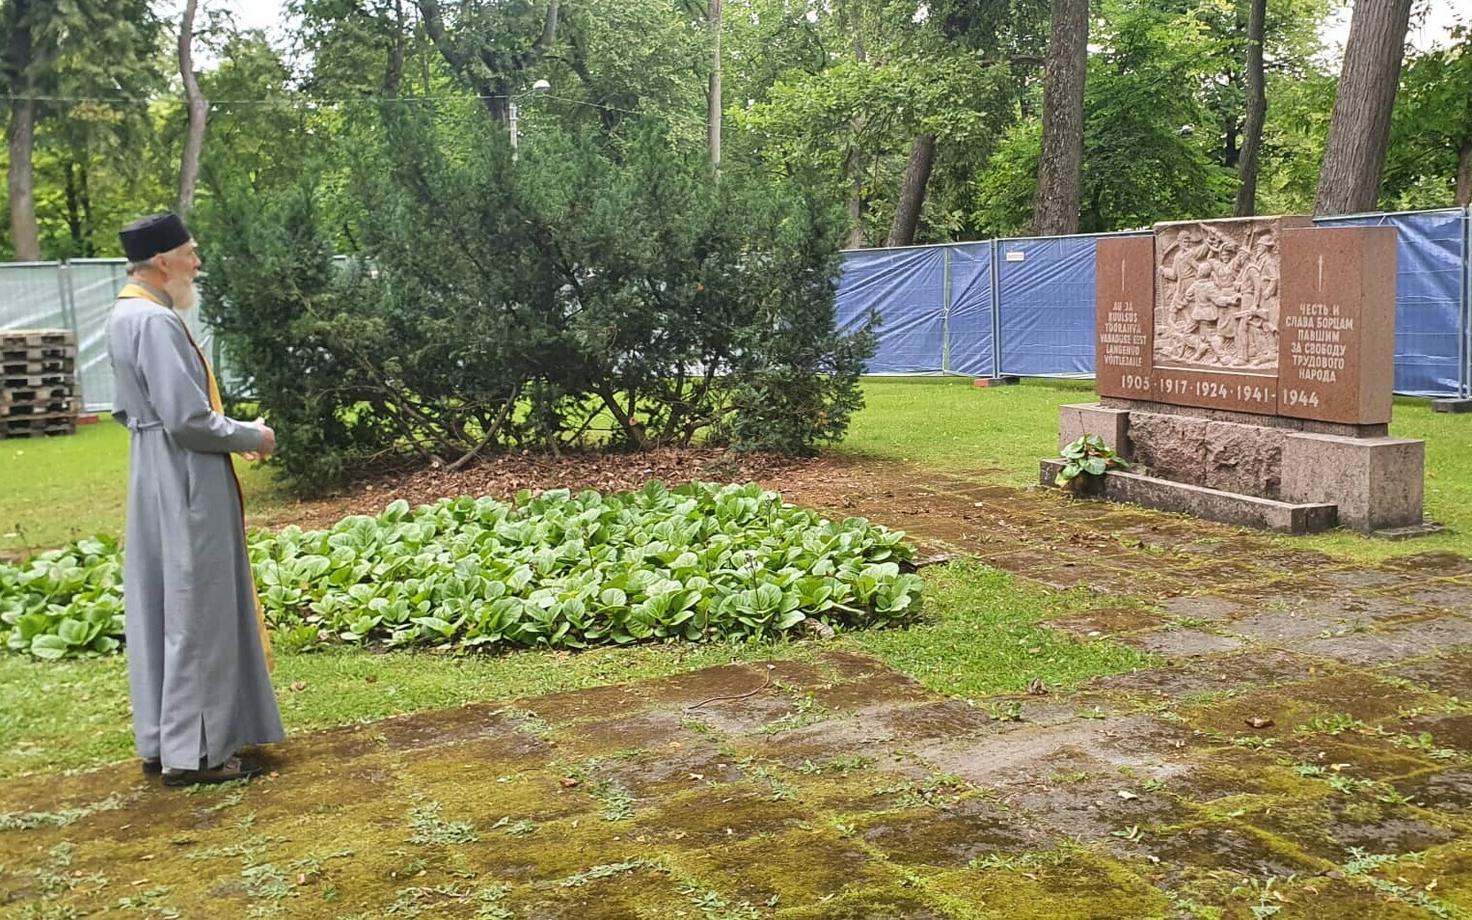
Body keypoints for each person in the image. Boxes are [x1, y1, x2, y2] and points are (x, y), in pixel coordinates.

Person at [106, 212, 285, 787]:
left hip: (151, 472)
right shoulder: (156, 322)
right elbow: (187, 420)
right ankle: (200, 753)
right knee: (197, 607)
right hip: (185, 476)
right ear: (162, 262)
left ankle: (166, 740)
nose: (197, 262)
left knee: (164, 603)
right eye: (191, 252)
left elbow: (128, 409)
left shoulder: (123, 313)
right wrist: (249, 435)